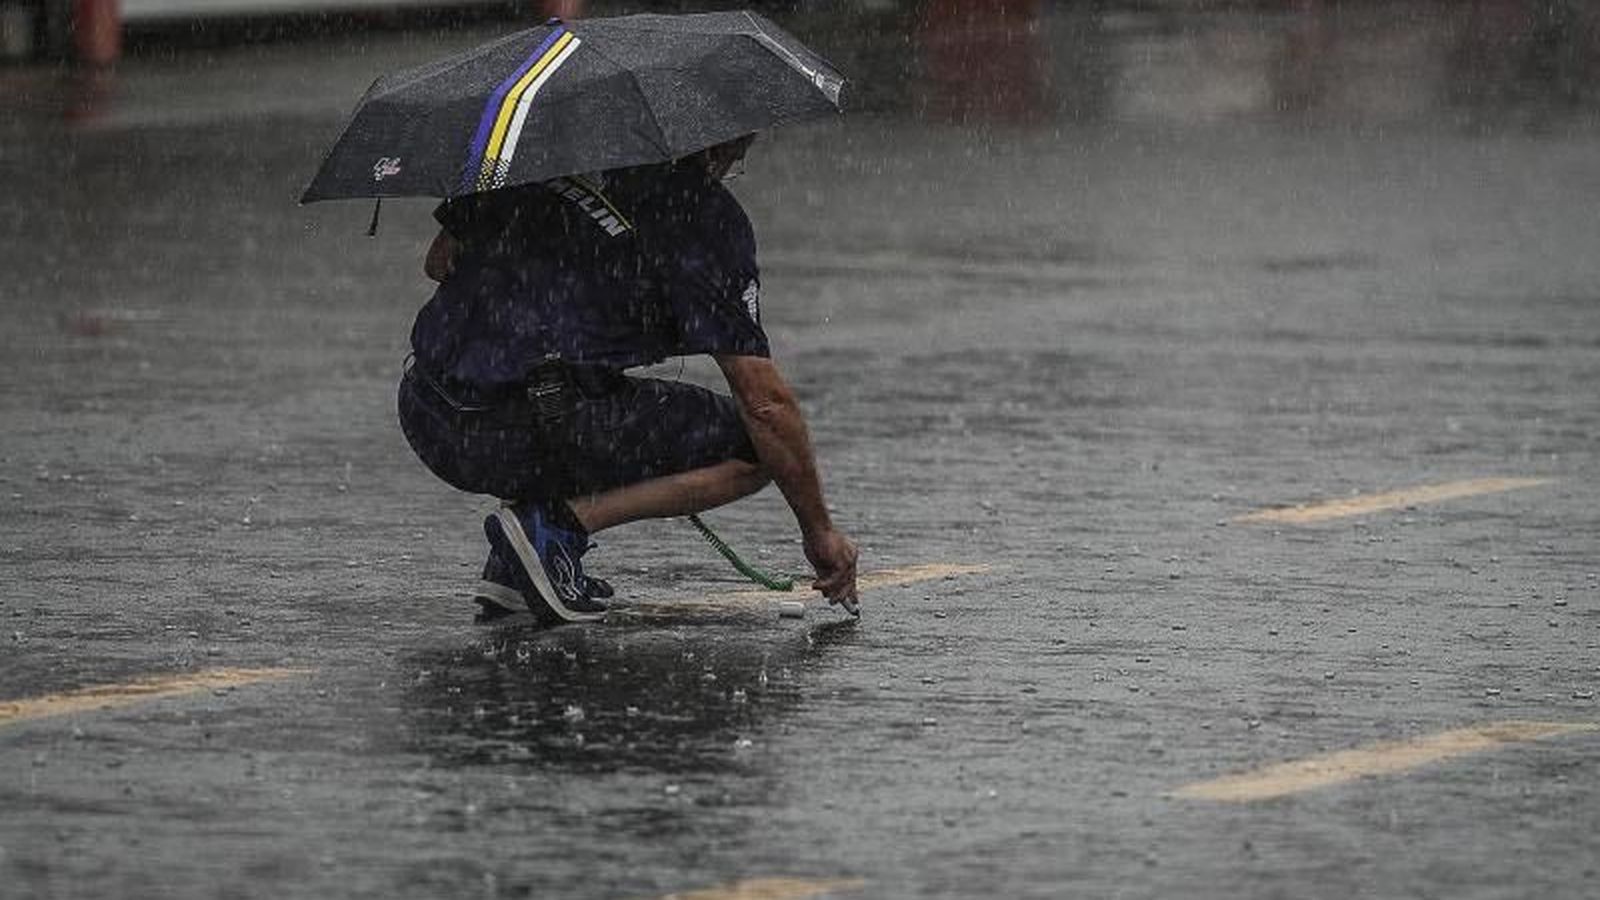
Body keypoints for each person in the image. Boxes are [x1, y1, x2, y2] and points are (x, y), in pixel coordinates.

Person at [397, 135, 859, 624]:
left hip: (428, 410)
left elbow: (439, 261)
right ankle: (552, 529)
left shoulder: (535, 156)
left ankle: (517, 571)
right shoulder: (702, 217)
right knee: (755, 448)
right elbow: (766, 405)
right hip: (525, 427)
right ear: (708, 150)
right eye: (732, 159)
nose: (728, 169)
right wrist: (820, 531)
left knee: (559, 376)